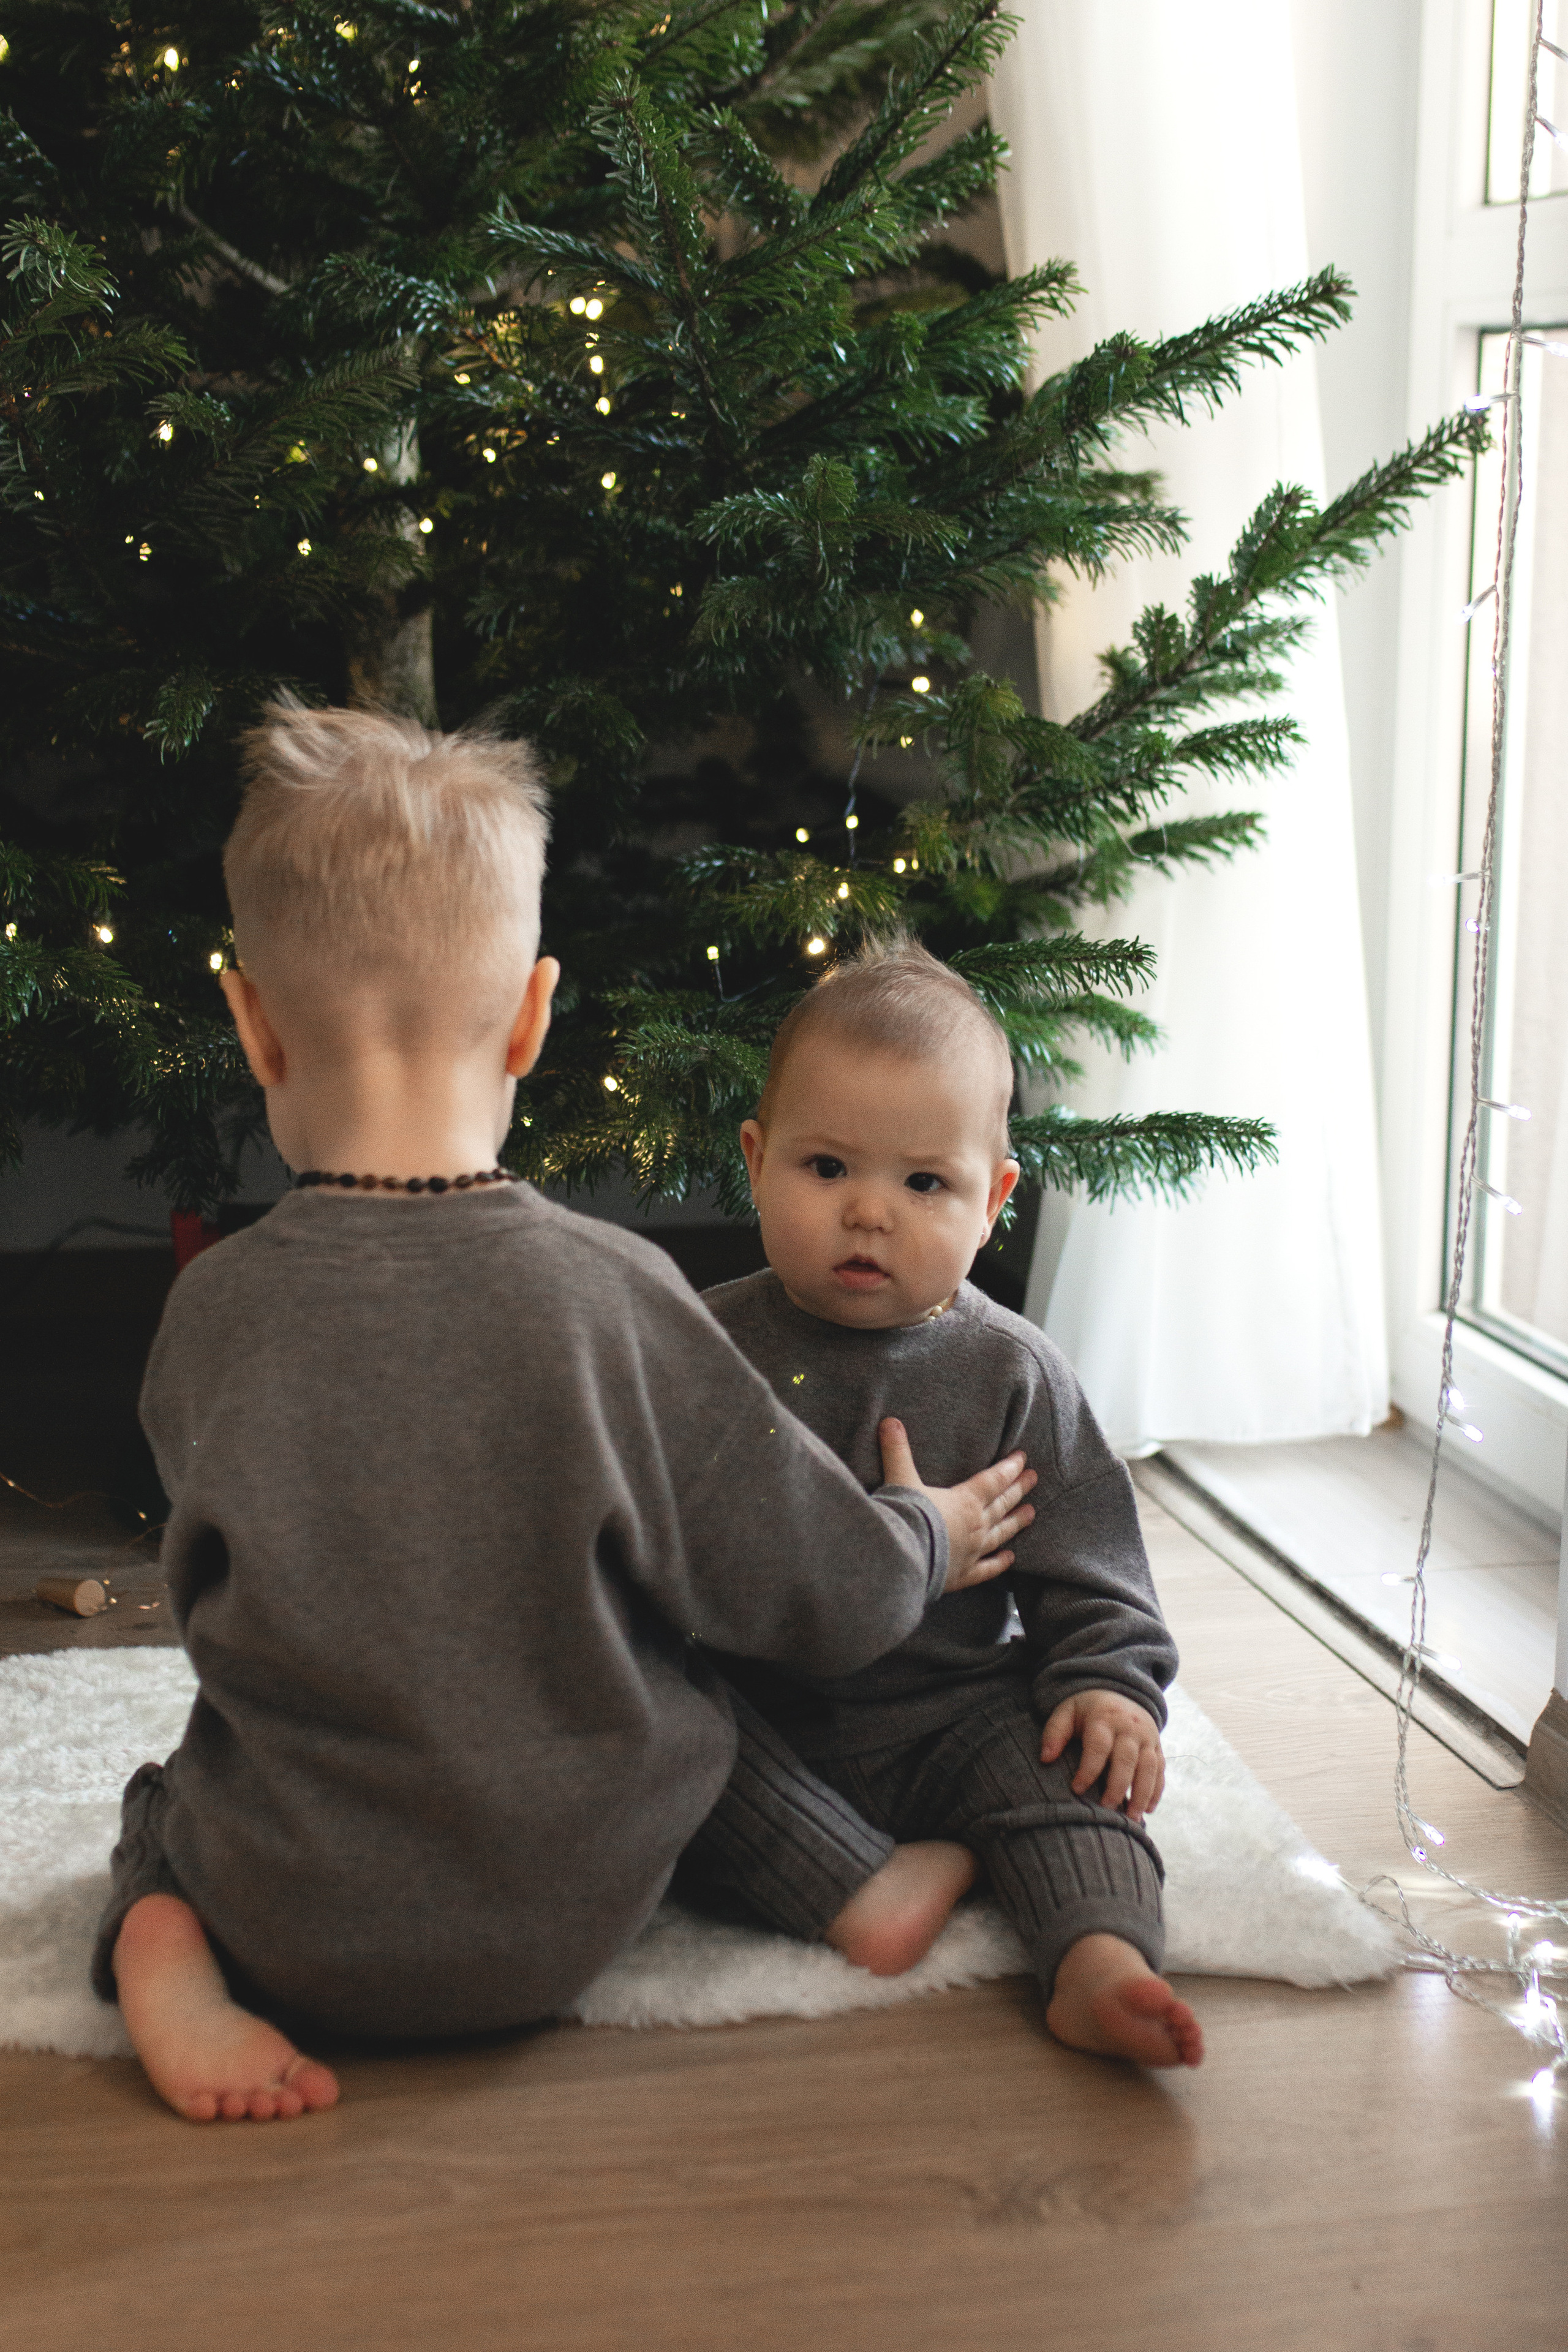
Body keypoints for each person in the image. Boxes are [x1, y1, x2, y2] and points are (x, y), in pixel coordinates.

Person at [94, 706, 1039, 2124]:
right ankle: (856, 1882)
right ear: (534, 1017)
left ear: (252, 1027)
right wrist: (917, 1528)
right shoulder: (619, 1294)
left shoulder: (211, 1311)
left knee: (165, 1803)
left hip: (295, 1917)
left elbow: (215, 1613)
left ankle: (168, 1965)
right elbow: (816, 1590)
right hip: (571, 1909)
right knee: (681, 1702)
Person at [679, 940, 1204, 2068]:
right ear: (757, 1161)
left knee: (1070, 1777)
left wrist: (1110, 1688)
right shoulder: (700, 1351)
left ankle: (1099, 1962)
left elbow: (1095, 1573)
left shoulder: (1014, 1372)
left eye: (924, 1183)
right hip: (761, 1712)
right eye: (827, 1169)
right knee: (662, 1754)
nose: (869, 1212)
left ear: (993, 1201)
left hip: (954, 1711)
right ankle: (862, 1886)